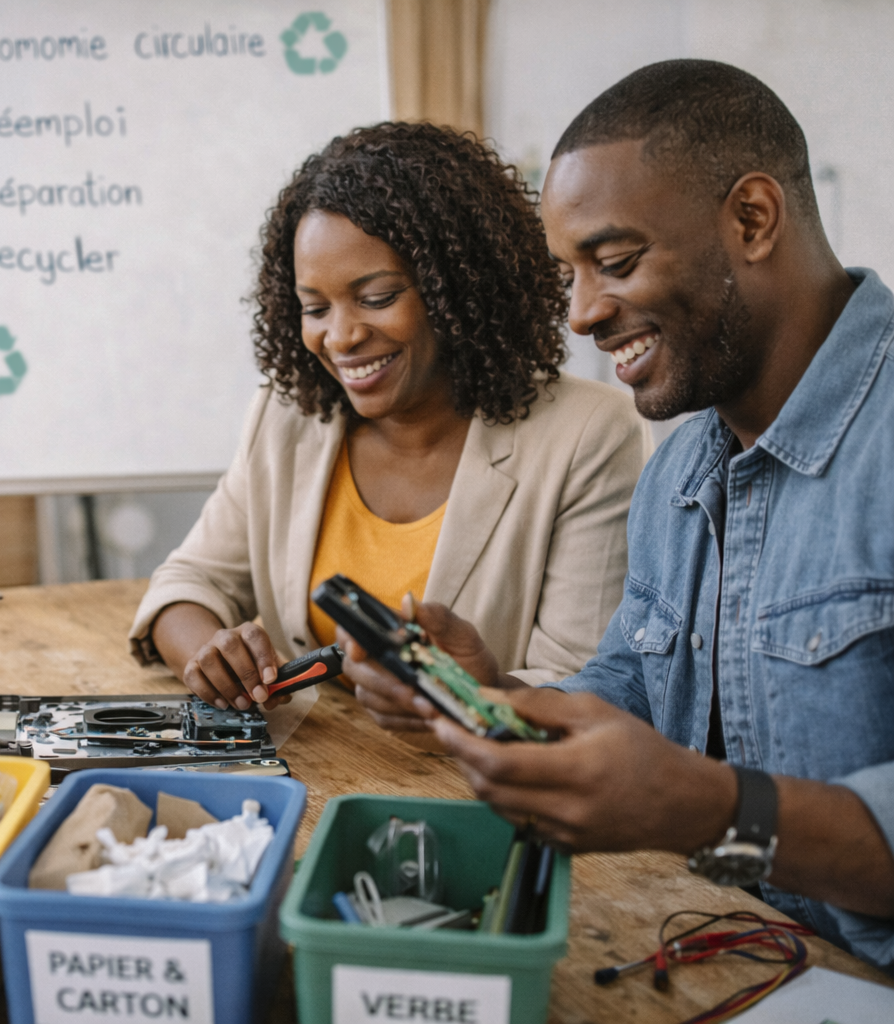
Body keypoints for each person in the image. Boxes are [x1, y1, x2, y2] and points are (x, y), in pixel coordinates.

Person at [348, 59, 894, 967]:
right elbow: (635, 687)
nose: (582, 314)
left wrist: (712, 811)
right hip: (741, 958)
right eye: (569, 274)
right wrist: (500, 699)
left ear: (752, 218)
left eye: (614, 261)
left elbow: (694, 795)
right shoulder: (681, 463)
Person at [129, 122, 648, 714]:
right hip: (317, 776)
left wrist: (462, 701)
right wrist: (214, 656)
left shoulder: (590, 434)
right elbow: (187, 583)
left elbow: (582, 686)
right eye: (315, 308)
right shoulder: (289, 417)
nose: (342, 336)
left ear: (456, 289)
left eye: (376, 298)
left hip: (475, 789)